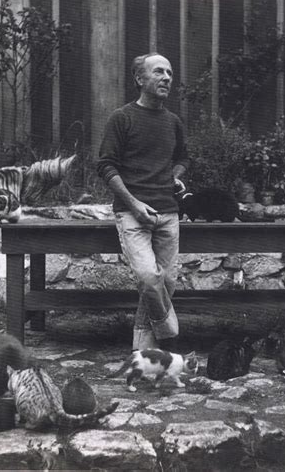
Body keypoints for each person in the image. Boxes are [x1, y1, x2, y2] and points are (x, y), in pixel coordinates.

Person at [97, 53, 188, 351]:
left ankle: (142, 353)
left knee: (168, 282)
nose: (166, 78)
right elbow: (106, 166)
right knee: (150, 279)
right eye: (159, 72)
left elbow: (183, 158)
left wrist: (175, 176)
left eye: (170, 73)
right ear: (139, 79)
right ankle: (169, 331)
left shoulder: (173, 122)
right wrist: (134, 205)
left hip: (169, 212)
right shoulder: (121, 118)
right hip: (132, 214)